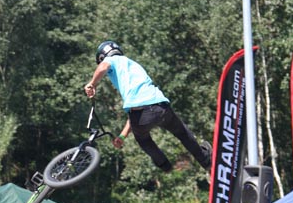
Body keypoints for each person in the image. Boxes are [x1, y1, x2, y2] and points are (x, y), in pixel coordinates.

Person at [84, 40, 212, 174]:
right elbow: (136, 107)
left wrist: (92, 84)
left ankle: (165, 166)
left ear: (103, 57)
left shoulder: (112, 61)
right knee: (182, 133)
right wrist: (121, 136)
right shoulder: (133, 67)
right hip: (161, 107)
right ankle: (206, 161)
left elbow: (103, 67)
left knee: (143, 139)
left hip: (141, 116)